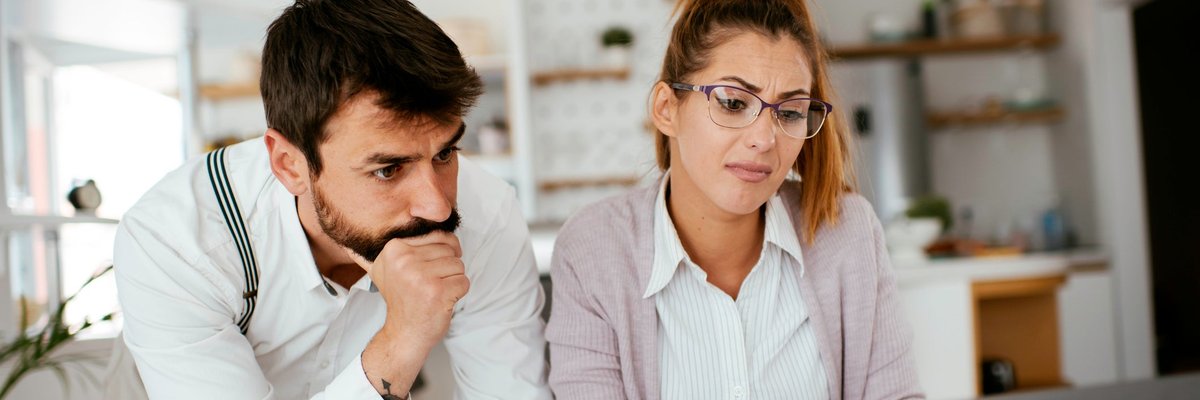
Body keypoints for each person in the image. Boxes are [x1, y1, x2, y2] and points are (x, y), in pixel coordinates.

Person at [112, 0, 549, 398]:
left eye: (445, 153)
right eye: (387, 170)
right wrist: (403, 338)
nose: (438, 207)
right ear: (290, 166)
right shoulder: (177, 242)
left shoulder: (487, 216)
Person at [545, 0, 924, 399]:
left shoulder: (847, 231)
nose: (764, 139)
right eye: (733, 103)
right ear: (666, 108)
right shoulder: (594, 251)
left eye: (790, 112)